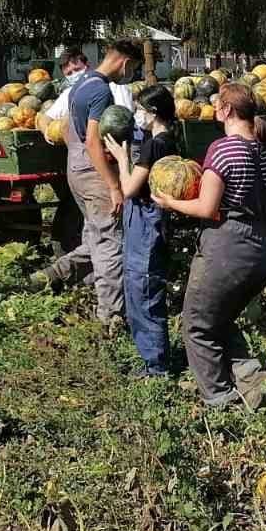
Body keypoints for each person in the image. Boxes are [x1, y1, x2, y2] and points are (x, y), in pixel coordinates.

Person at [153, 83, 266, 410]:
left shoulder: (222, 150)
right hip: (263, 248)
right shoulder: (264, 151)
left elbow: (207, 208)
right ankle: (252, 379)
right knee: (219, 320)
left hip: (229, 248)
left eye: (216, 106)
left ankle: (221, 401)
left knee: (196, 324)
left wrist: (170, 202)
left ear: (226, 110)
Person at [35, 40, 144, 327]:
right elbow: (94, 141)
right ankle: (112, 317)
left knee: (95, 237)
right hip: (94, 170)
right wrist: (113, 185)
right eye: (133, 68)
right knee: (110, 243)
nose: (130, 74)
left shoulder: (81, 84)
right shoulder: (100, 90)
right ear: (125, 63)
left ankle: (53, 275)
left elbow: (71, 129)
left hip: (75, 167)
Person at [104, 83, 178, 377]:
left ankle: (157, 367)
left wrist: (122, 161)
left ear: (153, 112)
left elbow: (131, 188)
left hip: (146, 222)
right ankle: (154, 360)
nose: (136, 115)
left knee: (143, 291)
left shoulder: (154, 145)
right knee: (143, 289)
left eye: (140, 110)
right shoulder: (168, 139)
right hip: (152, 221)